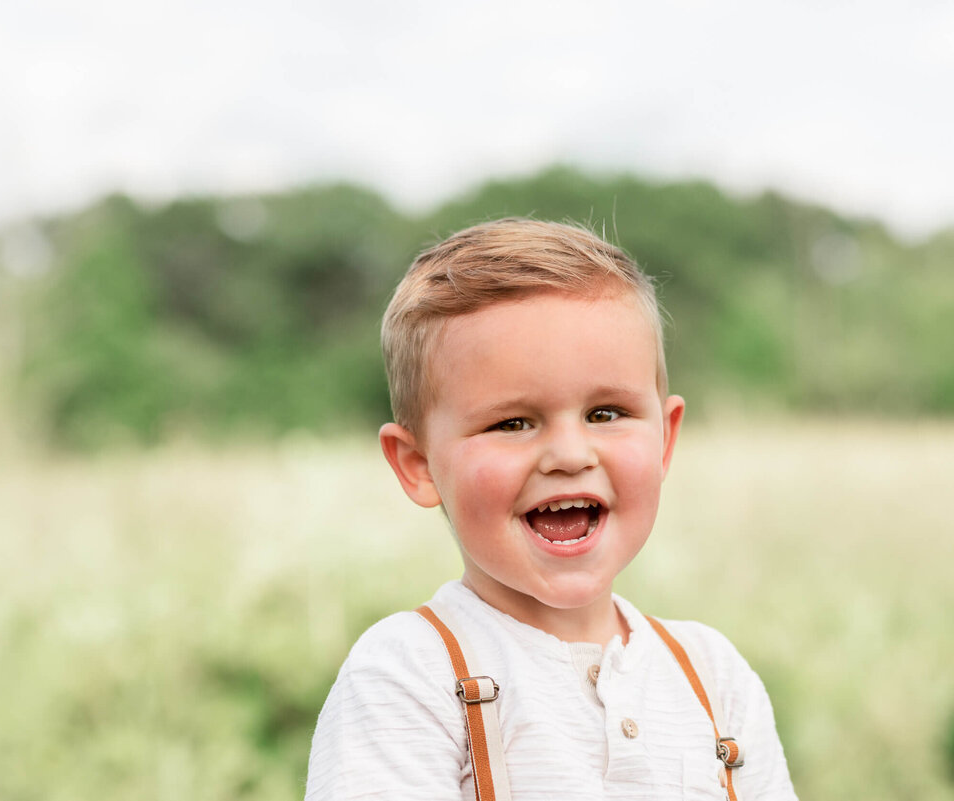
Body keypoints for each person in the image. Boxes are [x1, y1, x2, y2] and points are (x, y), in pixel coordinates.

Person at [305, 218, 797, 800]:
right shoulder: (410, 672)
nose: (569, 455)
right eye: (511, 423)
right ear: (418, 465)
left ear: (664, 440)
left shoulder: (714, 678)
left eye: (606, 413)